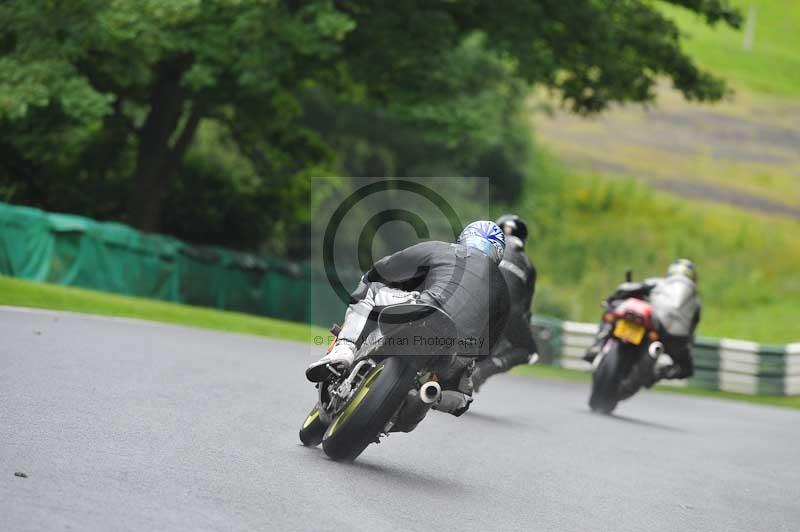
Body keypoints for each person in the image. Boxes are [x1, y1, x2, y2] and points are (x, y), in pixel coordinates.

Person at [306, 221, 510, 415]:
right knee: (461, 395)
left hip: (425, 312)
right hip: (456, 351)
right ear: (498, 254)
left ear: (464, 238)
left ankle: (344, 349)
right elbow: (487, 349)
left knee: (372, 288)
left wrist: (371, 277)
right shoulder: (503, 288)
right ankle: (429, 397)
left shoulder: (444, 249)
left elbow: (384, 268)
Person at [584, 258, 701, 382]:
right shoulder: (696, 300)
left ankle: (597, 345)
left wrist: (611, 300)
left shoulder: (658, 282)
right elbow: (691, 330)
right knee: (686, 369)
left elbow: (628, 288)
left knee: (611, 310)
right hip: (670, 336)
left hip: (653, 326)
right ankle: (655, 375)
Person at [472, 214, 538, 391]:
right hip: (508, 312)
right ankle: (484, 370)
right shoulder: (528, 265)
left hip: (471, 300)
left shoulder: (480, 246)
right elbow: (525, 309)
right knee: (528, 351)